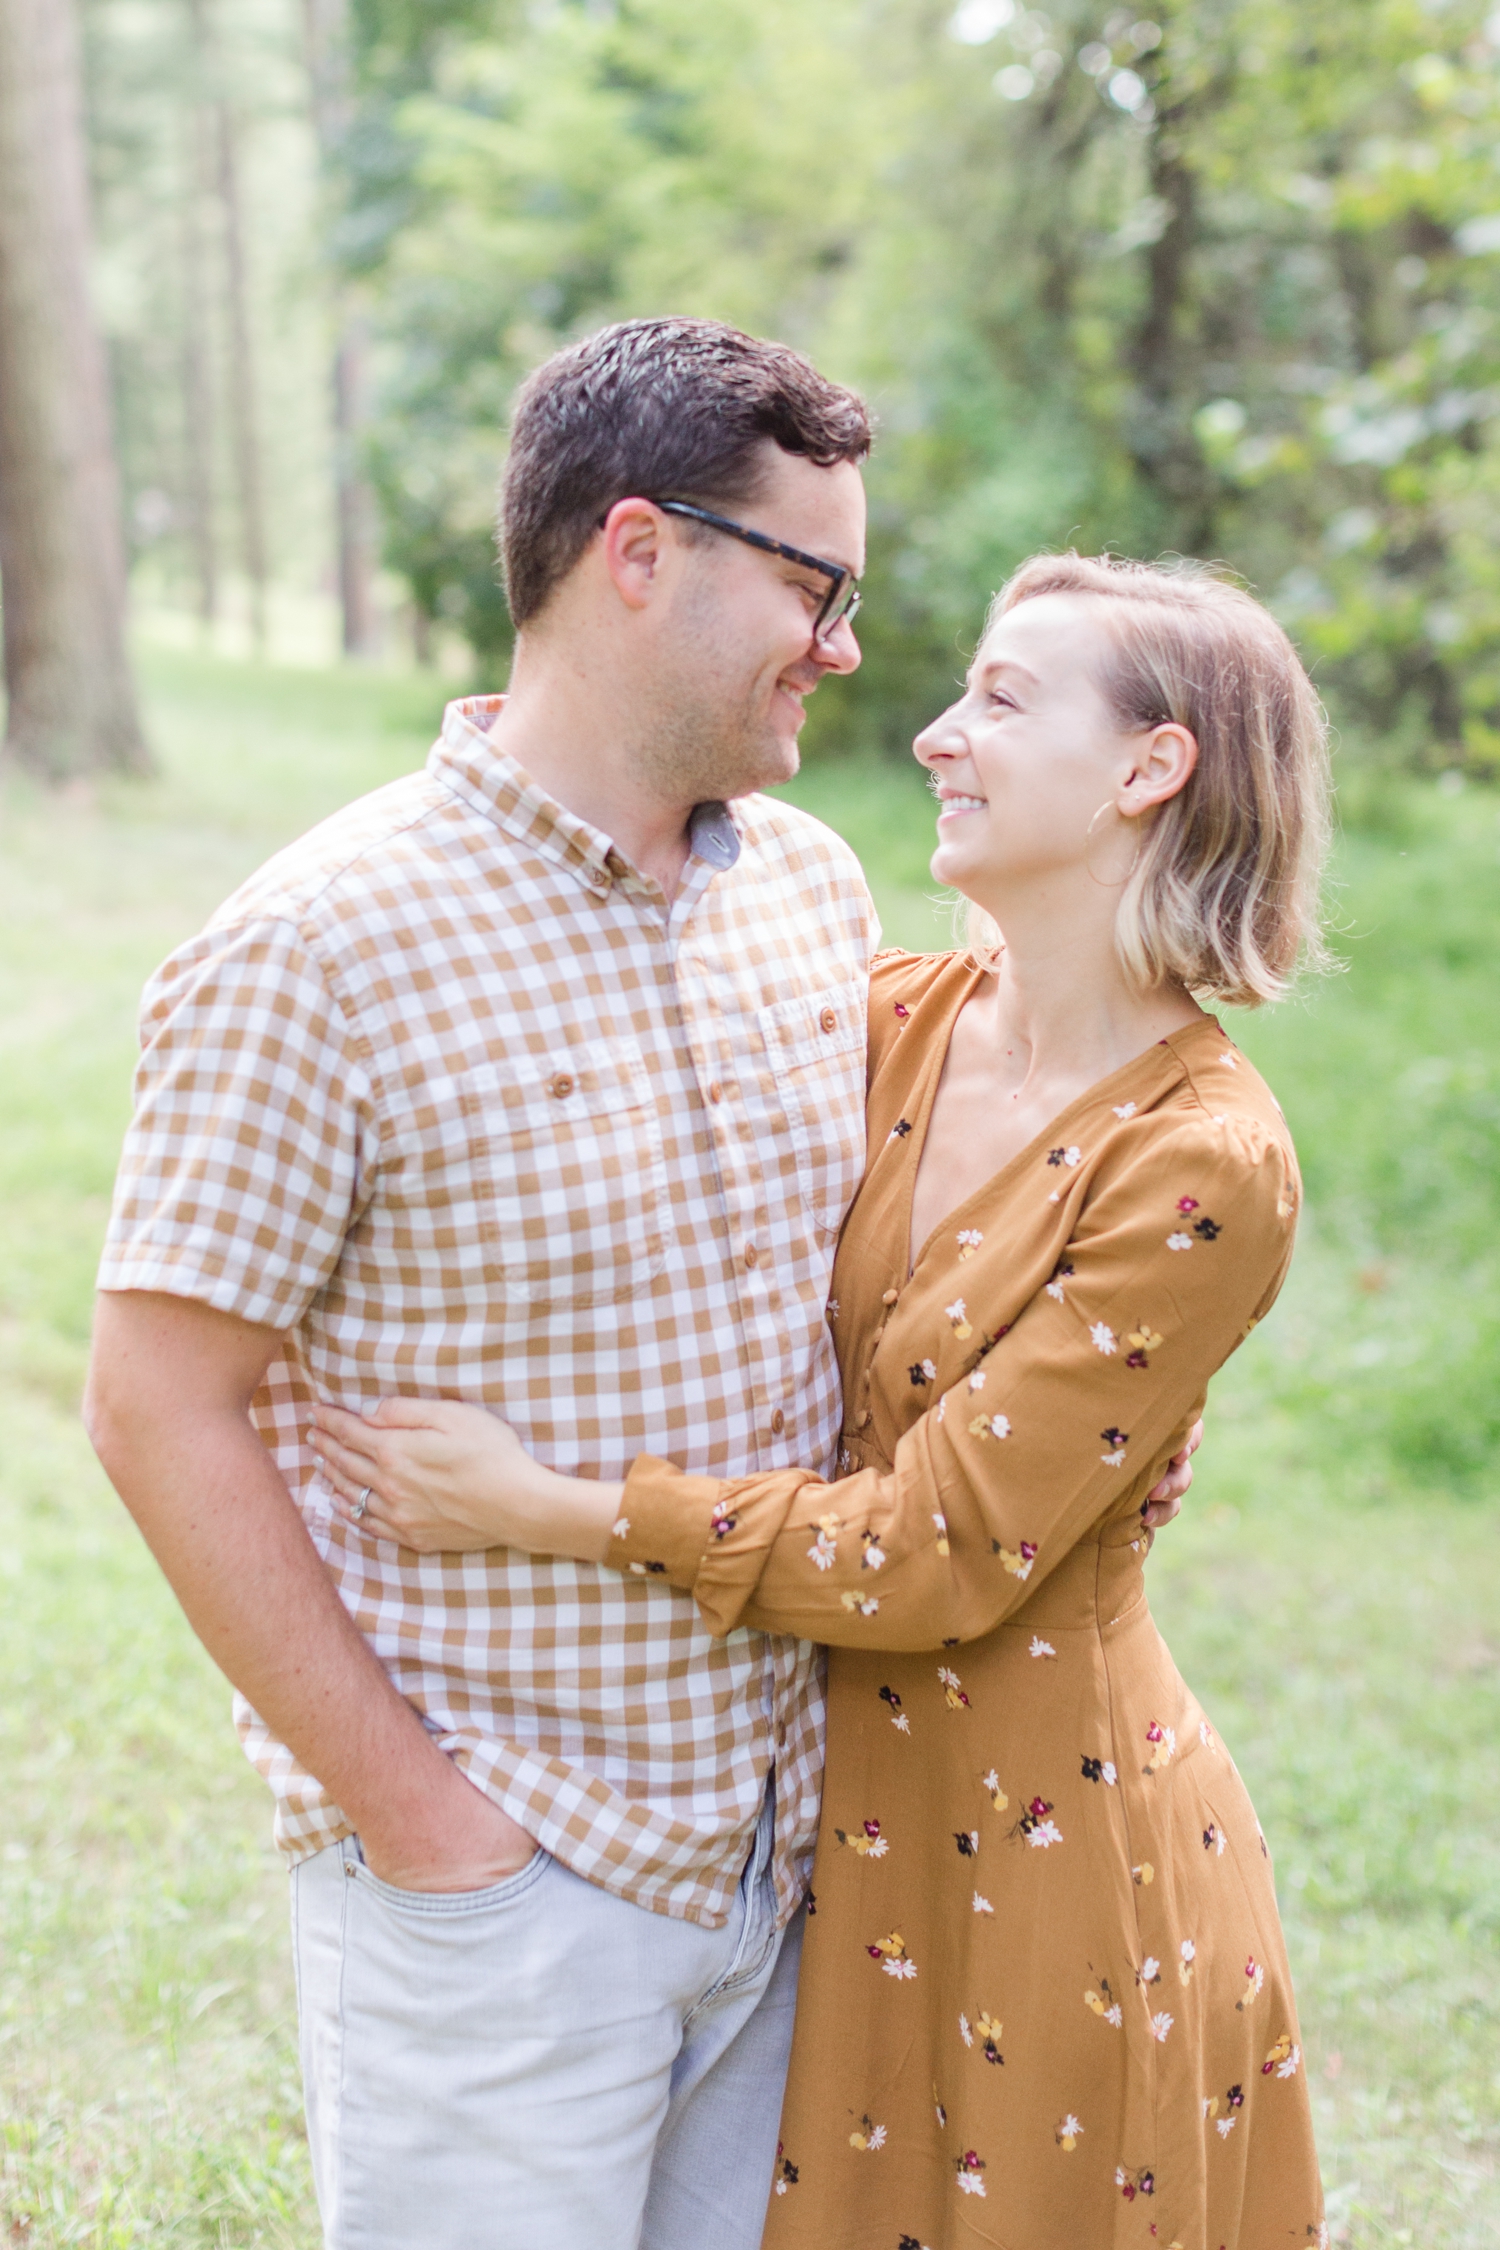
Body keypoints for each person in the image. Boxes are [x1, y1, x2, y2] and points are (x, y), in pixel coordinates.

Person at [307, 551, 1331, 2249]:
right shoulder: (900, 1018)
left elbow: (934, 1552)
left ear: (1153, 768)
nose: (934, 732)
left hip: (1050, 1841)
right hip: (834, 1828)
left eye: (1001, 698)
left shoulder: (1203, 1161)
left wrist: (546, 1505)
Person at [84, 317, 884, 2250]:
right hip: (504, 1888)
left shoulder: (817, 891)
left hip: (786, 1870)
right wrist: (437, 1832)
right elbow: (153, 1405)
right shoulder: (321, 945)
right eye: (817, 582)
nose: (846, 643)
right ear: (640, 552)